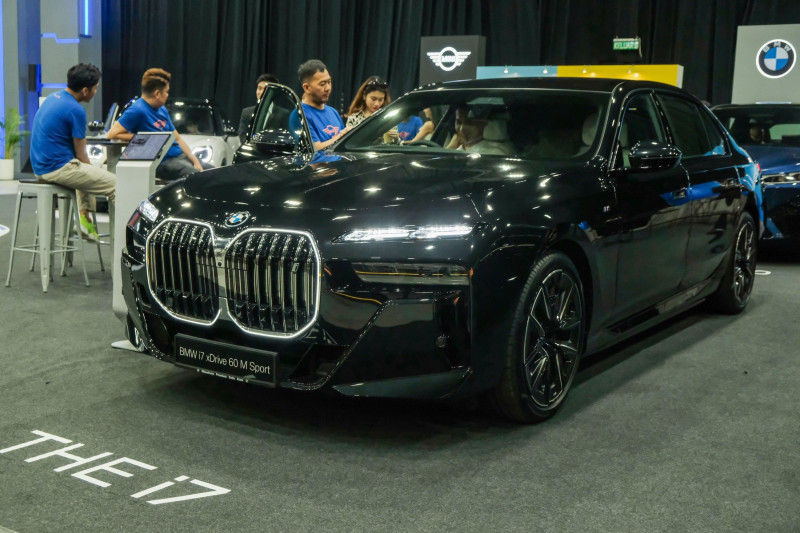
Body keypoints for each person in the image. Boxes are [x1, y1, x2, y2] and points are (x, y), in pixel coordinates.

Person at [30, 63, 115, 241]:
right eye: (95, 88)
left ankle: (85, 223)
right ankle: (126, 239)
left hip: (40, 167)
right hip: (57, 168)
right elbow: (82, 154)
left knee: (88, 173)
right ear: (85, 90)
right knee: (119, 185)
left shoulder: (53, 98)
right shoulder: (76, 110)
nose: (96, 92)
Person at [108, 68, 210, 181]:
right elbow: (112, 134)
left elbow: (177, 138)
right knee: (197, 177)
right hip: (164, 162)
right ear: (157, 93)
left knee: (214, 172)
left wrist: (195, 160)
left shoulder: (162, 109)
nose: (167, 95)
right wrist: (147, 138)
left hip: (180, 157)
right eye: (166, 92)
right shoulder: (137, 110)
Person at [288, 59, 348, 151]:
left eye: (329, 82)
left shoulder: (333, 112)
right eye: (322, 84)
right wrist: (342, 135)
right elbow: (314, 149)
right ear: (307, 87)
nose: (328, 88)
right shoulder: (299, 114)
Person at [238, 73, 280, 144]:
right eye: (259, 88)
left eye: (266, 89)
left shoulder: (283, 114)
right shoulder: (246, 112)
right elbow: (242, 135)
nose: (261, 92)